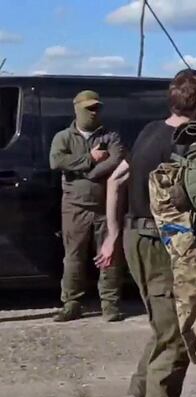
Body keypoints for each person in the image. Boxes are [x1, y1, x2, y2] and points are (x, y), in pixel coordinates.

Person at [96, 70, 196, 397]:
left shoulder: (149, 131)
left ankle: (136, 395)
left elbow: (115, 180)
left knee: (163, 326)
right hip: (164, 244)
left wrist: (113, 233)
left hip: (134, 236)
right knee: (177, 336)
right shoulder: (185, 143)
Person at [49, 90, 125, 322]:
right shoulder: (64, 137)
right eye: (89, 108)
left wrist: (89, 174)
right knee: (73, 256)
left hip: (106, 207)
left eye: (97, 108)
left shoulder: (110, 136)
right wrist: (90, 159)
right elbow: (57, 161)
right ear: (77, 109)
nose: (94, 112)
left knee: (110, 257)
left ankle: (110, 304)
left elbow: (117, 158)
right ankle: (72, 302)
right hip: (74, 207)